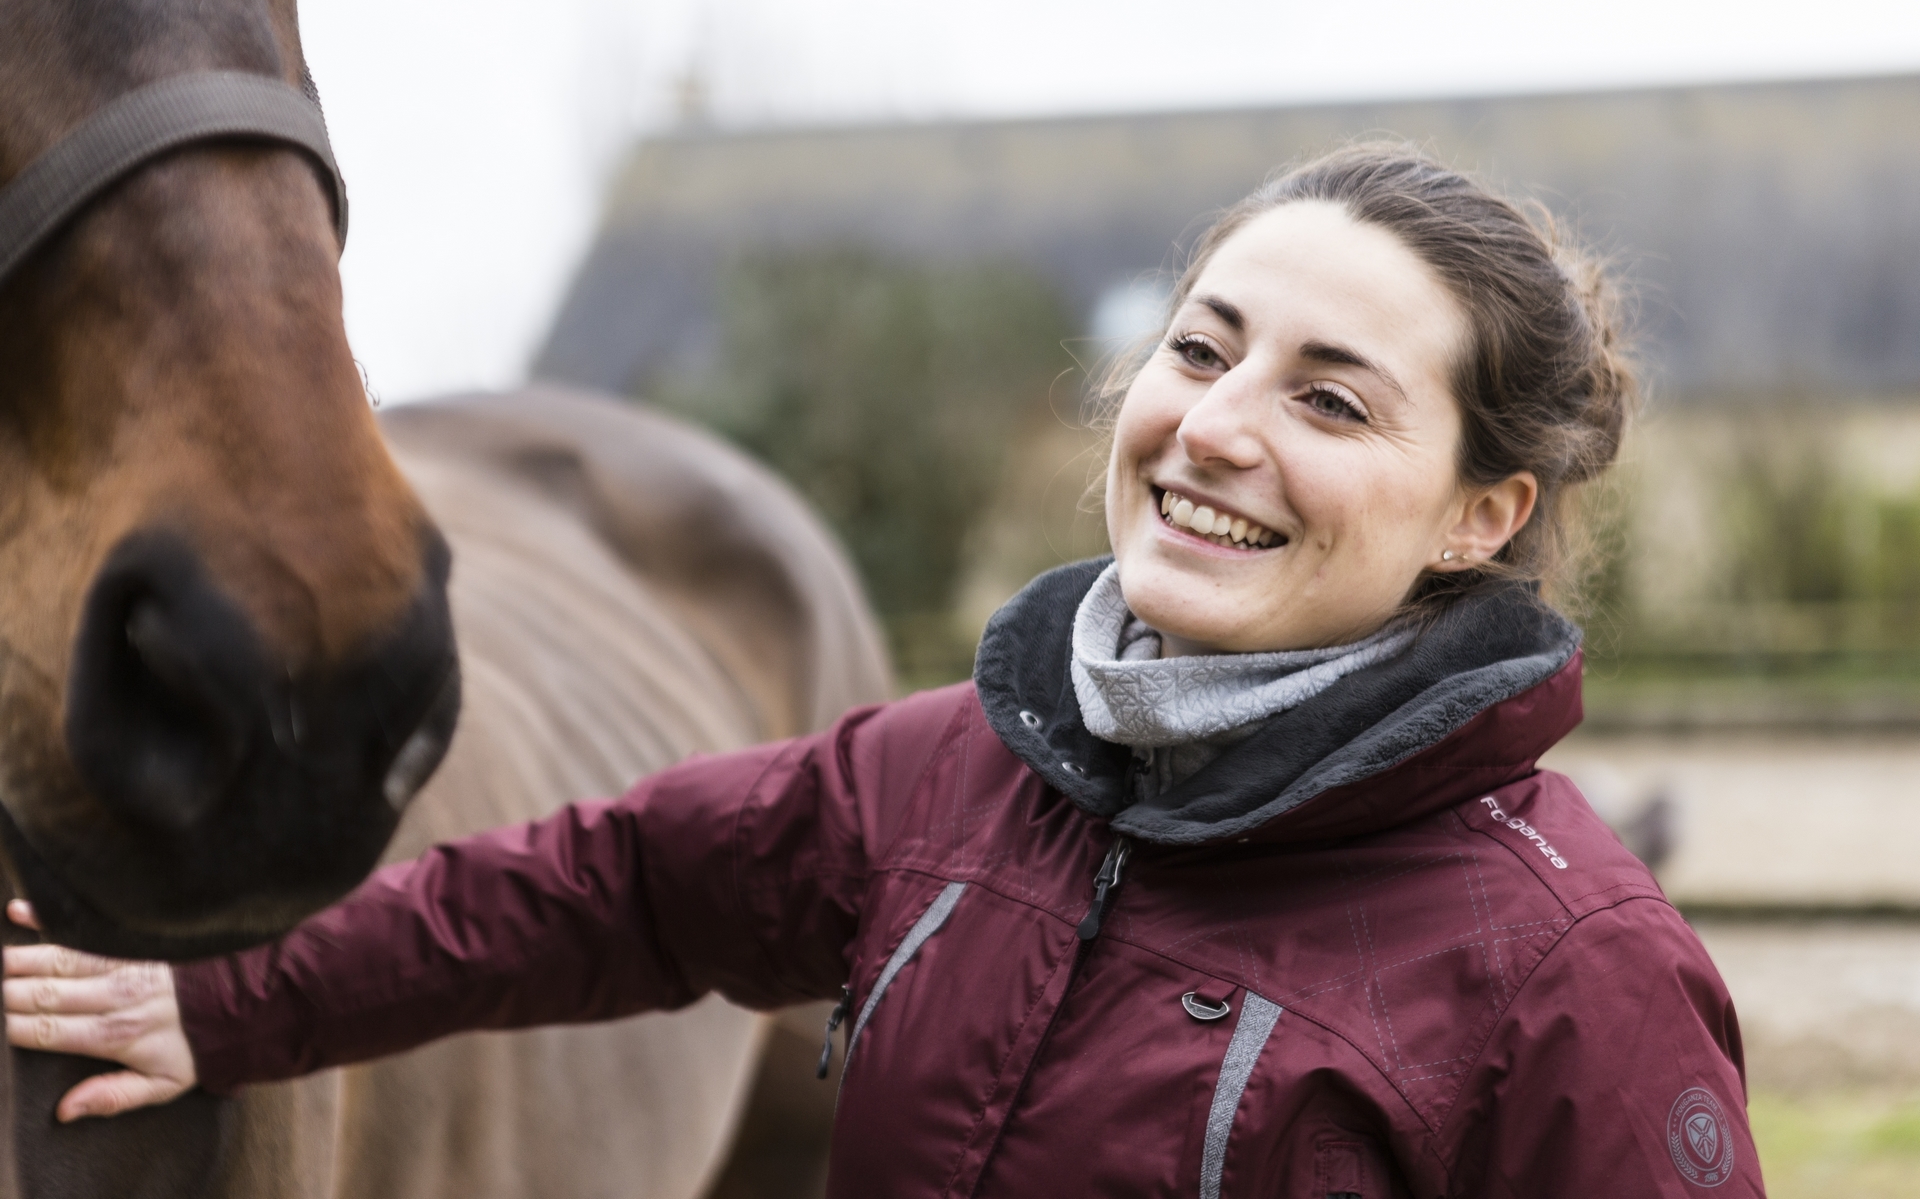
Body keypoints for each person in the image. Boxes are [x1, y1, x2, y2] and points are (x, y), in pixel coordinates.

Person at [3, 144, 1764, 1196]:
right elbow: (599, 888)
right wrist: (224, 1001)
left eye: (1328, 397)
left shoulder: (1574, 973)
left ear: (1483, 512)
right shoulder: (957, 777)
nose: (1215, 429)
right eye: (1201, 349)